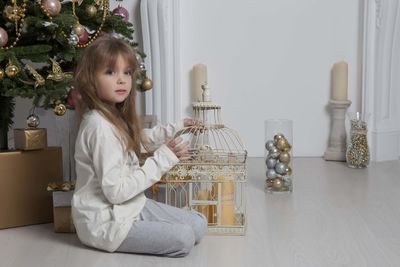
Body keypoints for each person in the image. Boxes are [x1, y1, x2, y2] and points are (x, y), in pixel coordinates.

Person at [71, 35, 207, 257]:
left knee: (199, 225)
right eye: (110, 72)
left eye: (127, 72)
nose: (122, 80)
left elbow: (137, 139)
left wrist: (177, 127)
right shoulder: (99, 127)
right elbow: (116, 192)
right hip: (106, 220)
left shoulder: (112, 114)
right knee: (184, 238)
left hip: (132, 206)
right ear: (90, 79)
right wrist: (164, 158)